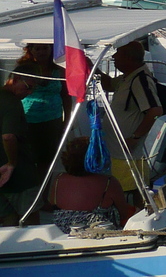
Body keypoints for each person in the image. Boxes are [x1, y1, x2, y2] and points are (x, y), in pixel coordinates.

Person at [98, 42, 162, 192]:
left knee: (129, 195)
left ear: (128, 57)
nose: (113, 56)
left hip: (127, 158)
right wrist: (91, 68)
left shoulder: (140, 80)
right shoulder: (129, 77)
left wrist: (135, 138)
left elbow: (155, 111)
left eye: (118, 53)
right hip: (119, 155)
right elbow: (108, 85)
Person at [48, 137, 133, 232]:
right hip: (97, 234)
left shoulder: (58, 179)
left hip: (62, 232)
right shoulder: (109, 182)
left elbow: (52, 205)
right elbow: (123, 214)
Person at [17, 43, 70, 184]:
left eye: (45, 48)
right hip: (28, 119)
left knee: (48, 159)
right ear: (31, 50)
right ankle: (30, 189)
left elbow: (66, 96)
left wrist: (68, 119)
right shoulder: (23, 69)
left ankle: (43, 190)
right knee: (27, 157)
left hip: (53, 121)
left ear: (51, 49)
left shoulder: (59, 70)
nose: (41, 52)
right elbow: (14, 92)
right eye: (37, 48)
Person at [0, 65, 41, 225]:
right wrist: (12, 163)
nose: (29, 93)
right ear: (15, 79)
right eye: (28, 87)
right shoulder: (12, 103)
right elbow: (8, 136)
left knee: (7, 221)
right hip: (19, 176)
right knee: (31, 221)